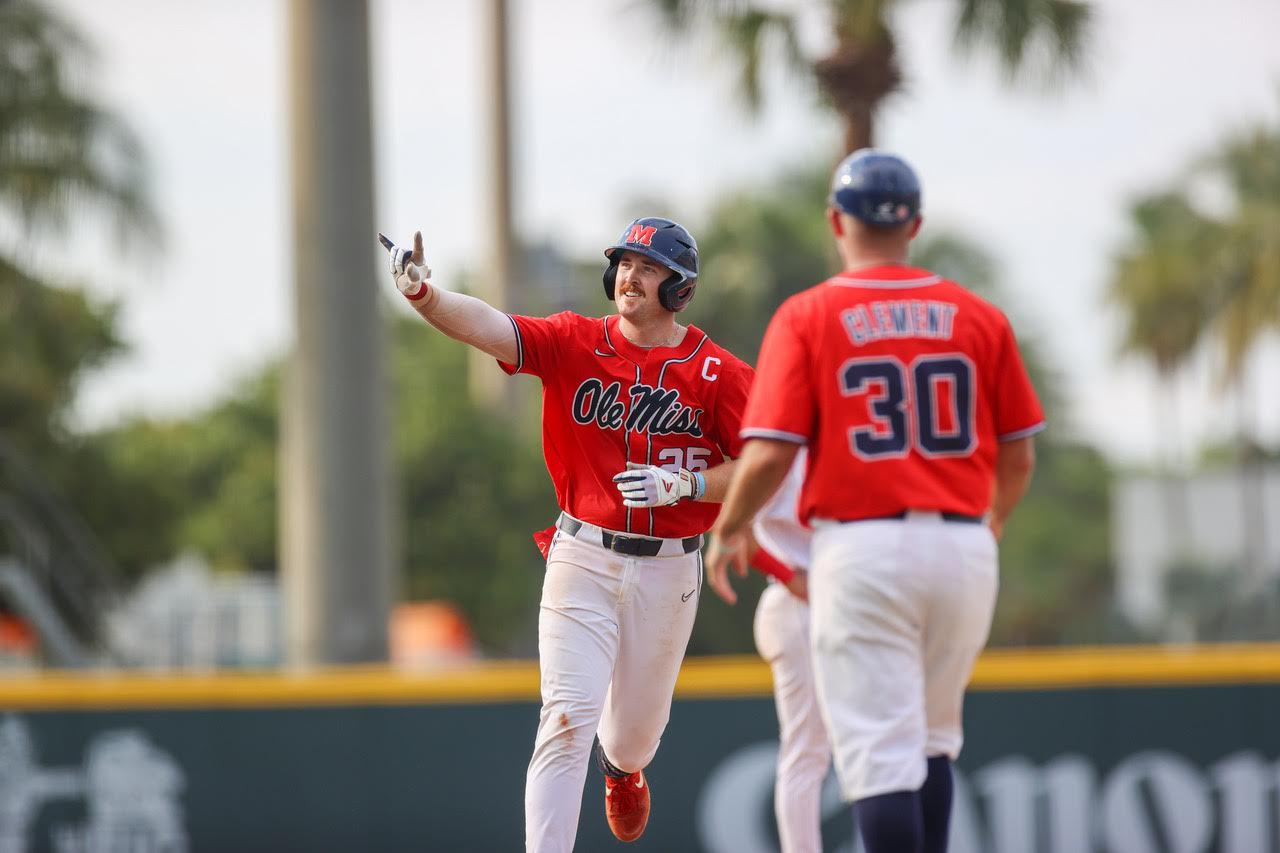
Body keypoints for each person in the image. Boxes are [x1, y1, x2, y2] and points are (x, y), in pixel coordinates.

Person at [705, 150, 1044, 853]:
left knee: (879, 758)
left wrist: (730, 526)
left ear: (837, 221)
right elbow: (1019, 455)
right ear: (915, 224)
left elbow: (768, 453)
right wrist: (990, 523)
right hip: (963, 544)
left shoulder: (809, 314)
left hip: (861, 549)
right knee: (932, 742)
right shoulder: (979, 315)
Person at [379, 217, 754, 852]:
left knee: (634, 735)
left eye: (650, 267)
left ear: (680, 289)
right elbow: (495, 328)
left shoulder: (717, 371)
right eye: (626, 263)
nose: (632, 276)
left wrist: (685, 487)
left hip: (669, 567)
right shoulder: (575, 341)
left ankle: (624, 768)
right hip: (583, 554)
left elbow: (764, 467)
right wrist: (426, 296)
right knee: (564, 719)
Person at [710, 450, 832, 853]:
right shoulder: (778, 443)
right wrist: (786, 575)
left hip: (835, 603)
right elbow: (734, 526)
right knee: (808, 754)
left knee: (846, 750)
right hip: (798, 608)